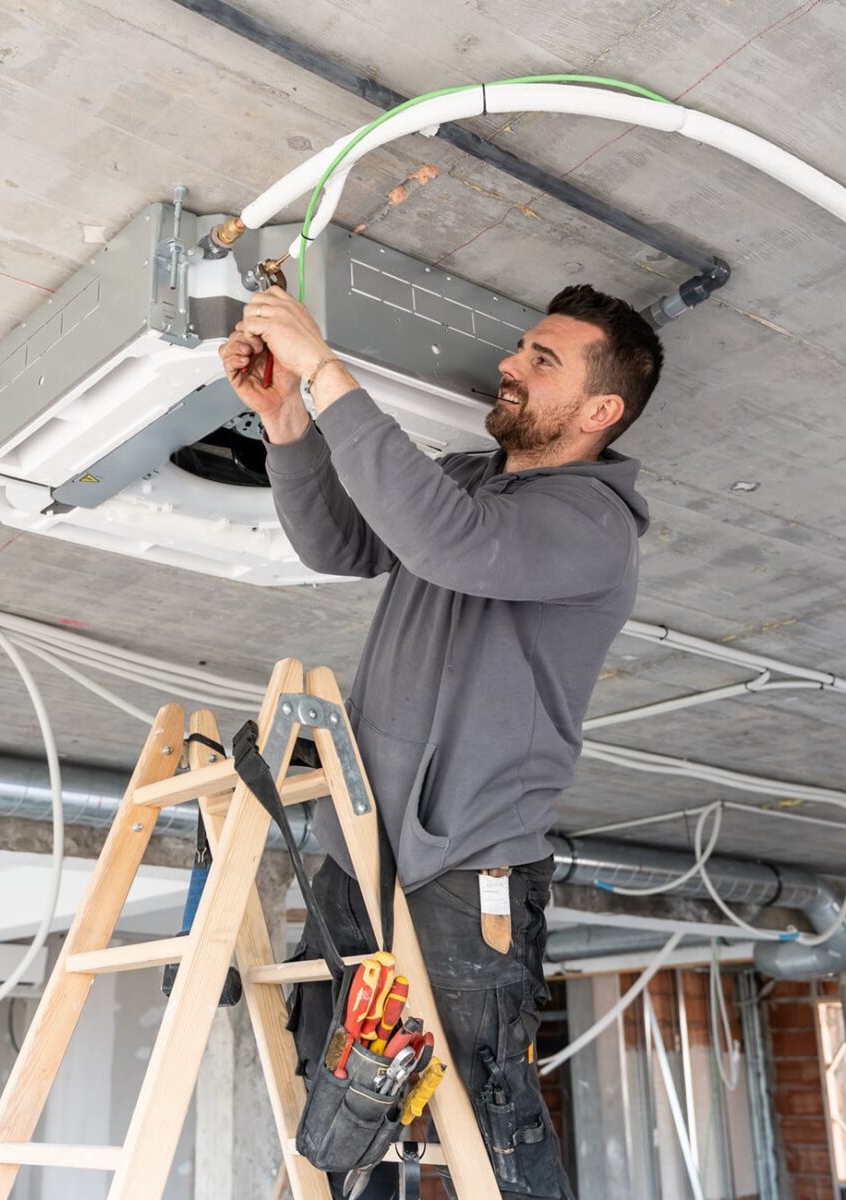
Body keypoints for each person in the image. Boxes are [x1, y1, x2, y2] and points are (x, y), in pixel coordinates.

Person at [220, 282, 661, 1199]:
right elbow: (344, 546)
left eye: (543, 360)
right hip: (360, 849)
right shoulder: (467, 479)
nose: (510, 363)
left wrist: (325, 367)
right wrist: (287, 417)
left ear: (600, 411)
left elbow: (450, 544)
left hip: (467, 871)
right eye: (522, 348)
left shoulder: (594, 527)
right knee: (339, 1096)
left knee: (484, 1118)